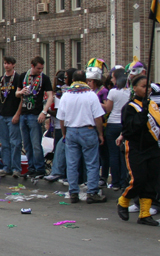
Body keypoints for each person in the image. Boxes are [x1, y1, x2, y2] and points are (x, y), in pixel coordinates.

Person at [56, 70, 106, 204]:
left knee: (72, 163)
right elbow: (98, 117)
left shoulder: (66, 95)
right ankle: (92, 192)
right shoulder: (90, 95)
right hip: (88, 130)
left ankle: (73, 192)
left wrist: (64, 133)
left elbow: (61, 118)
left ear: (72, 80)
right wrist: (100, 134)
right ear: (85, 80)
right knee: (91, 163)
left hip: (71, 130)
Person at [116, 75, 159, 225]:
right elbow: (130, 129)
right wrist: (143, 114)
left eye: (148, 87)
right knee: (138, 179)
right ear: (134, 88)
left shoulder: (153, 104)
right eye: (143, 86)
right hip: (136, 147)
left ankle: (145, 214)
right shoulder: (130, 107)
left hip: (152, 147)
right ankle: (123, 201)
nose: (147, 90)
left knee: (151, 180)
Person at [15, 56, 53, 178]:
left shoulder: (44, 79)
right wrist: (21, 93)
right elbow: (16, 93)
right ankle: (31, 167)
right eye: (38, 68)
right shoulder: (23, 76)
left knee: (36, 143)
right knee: (26, 143)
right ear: (32, 66)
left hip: (35, 114)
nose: (40, 71)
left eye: (42, 68)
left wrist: (44, 111)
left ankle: (40, 168)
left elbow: (50, 96)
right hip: (24, 113)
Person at [0, 56, 23, 178]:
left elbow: (22, 99)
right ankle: (7, 167)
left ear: (13, 64)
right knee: (5, 143)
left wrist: (17, 114)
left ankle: (16, 168)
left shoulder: (18, 79)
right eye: (5, 63)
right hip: (2, 116)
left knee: (15, 143)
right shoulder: (0, 80)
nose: (6, 65)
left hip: (13, 115)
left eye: (9, 63)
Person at [104, 68, 130, 190]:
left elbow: (108, 108)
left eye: (113, 77)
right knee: (124, 155)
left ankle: (115, 182)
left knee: (113, 155)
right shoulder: (130, 92)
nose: (112, 80)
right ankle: (125, 181)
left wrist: (98, 103)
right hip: (124, 124)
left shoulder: (113, 92)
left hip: (113, 123)